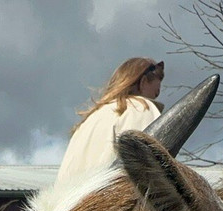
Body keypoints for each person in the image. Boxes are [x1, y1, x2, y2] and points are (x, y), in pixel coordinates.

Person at [54, 58, 165, 189]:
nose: (154, 98)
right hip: (109, 203)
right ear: (143, 82)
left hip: (70, 206)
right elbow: (148, 171)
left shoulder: (90, 119)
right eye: (155, 93)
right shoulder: (139, 108)